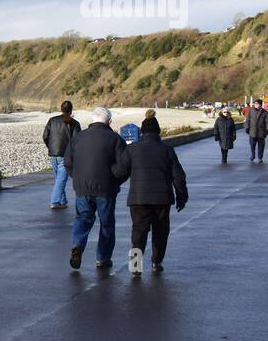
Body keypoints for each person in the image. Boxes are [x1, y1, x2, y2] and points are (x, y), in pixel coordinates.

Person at [113, 116, 188, 275]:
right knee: (160, 232)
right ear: (158, 132)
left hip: (138, 199)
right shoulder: (167, 150)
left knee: (138, 233)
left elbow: (120, 172)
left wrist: (109, 178)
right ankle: (156, 262)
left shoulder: (132, 149)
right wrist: (182, 196)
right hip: (162, 199)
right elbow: (178, 176)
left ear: (142, 131)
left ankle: (135, 266)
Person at [64, 106, 129, 270]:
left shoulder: (78, 138)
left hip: (82, 188)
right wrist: (116, 180)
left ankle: (77, 245)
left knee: (82, 219)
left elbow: (68, 162)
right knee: (106, 224)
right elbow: (125, 166)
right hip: (106, 189)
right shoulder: (115, 139)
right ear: (110, 121)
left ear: (92, 120)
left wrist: (77, 178)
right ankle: (103, 258)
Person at [42, 100, 80, 210]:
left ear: (61, 109)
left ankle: (62, 200)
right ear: (71, 110)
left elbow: (45, 136)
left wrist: (50, 147)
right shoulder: (74, 123)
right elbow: (77, 141)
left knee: (59, 179)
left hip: (53, 153)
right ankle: (55, 201)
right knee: (61, 179)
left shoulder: (52, 120)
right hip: (66, 154)